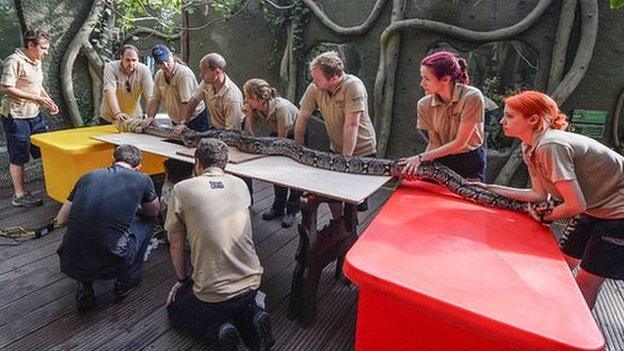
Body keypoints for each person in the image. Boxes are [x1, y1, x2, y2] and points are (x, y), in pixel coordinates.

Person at [476, 91, 624, 309]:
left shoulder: (550, 145)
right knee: (560, 265)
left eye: (509, 116)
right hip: (594, 208)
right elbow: (538, 194)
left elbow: (575, 205)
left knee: (586, 281)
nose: (501, 121)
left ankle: (575, 338)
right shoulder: (530, 147)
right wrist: (489, 188)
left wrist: (542, 216)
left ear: (533, 120)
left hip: (618, 215)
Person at [165, 138, 273, 350]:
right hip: (252, 284)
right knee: (236, 304)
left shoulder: (181, 189)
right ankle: (253, 315)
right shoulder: (241, 184)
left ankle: (219, 331)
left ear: (197, 163)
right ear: (225, 164)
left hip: (212, 295)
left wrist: (182, 280)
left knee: (175, 309)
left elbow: (175, 244)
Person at [55, 145, 160, 311]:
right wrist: (135, 208)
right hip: (113, 261)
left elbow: (61, 220)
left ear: (112, 160)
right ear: (139, 167)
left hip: (69, 259)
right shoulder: (143, 179)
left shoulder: (87, 177)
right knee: (149, 221)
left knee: (87, 230)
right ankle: (126, 282)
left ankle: (85, 285)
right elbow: (153, 211)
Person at [294, 51, 377, 217]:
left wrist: (345, 161)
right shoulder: (315, 88)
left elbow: (351, 125)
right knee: (332, 194)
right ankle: (338, 223)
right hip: (336, 148)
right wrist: (297, 150)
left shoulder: (353, 86)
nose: (314, 82)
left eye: (317, 79)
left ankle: (350, 230)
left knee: (353, 199)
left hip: (362, 150)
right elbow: (302, 117)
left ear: (334, 78)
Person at [399, 50, 487, 181]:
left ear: (446, 79)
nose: (422, 84)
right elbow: (434, 142)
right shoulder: (424, 104)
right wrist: (420, 167)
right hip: (440, 156)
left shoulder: (472, 97)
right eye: (422, 78)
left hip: (469, 160)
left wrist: (420, 158)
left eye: (426, 79)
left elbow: (461, 142)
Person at [180, 52, 253, 199]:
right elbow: (193, 101)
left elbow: (232, 133)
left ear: (217, 72)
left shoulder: (232, 96)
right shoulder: (207, 83)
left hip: (234, 133)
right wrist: (182, 123)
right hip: (216, 129)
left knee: (235, 166)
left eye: (204, 72)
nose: (201, 75)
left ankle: (247, 198)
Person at [0, 29, 59, 207]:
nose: (46, 52)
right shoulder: (14, 61)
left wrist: (48, 101)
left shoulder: (36, 61)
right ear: (30, 45)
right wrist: (36, 98)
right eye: (43, 48)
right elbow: (5, 87)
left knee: (45, 149)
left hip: (35, 115)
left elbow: (37, 85)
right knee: (19, 156)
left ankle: (56, 186)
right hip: (16, 116)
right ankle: (19, 196)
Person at [243, 78, 301, 227]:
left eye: (248, 97)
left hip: (294, 135)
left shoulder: (281, 108)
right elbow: (249, 136)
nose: (246, 100)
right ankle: (278, 206)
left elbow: (282, 141)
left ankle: (292, 210)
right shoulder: (257, 109)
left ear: (259, 98)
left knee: (292, 173)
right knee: (278, 171)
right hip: (278, 135)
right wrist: (248, 116)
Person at [142, 44, 210, 132]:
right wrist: (150, 117)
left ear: (171, 56)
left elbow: (186, 102)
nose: (165, 65)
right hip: (177, 120)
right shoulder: (159, 75)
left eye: (166, 61)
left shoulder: (184, 74)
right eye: (160, 63)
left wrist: (182, 123)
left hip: (194, 119)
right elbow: (155, 99)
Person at [100, 44, 153, 124]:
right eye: (128, 60)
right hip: (110, 117)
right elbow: (110, 91)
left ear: (138, 59)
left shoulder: (144, 70)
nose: (131, 63)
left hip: (134, 118)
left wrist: (150, 117)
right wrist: (117, 113)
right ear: (121, 58)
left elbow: (150, 97)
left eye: (134, 60)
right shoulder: (110, 67)